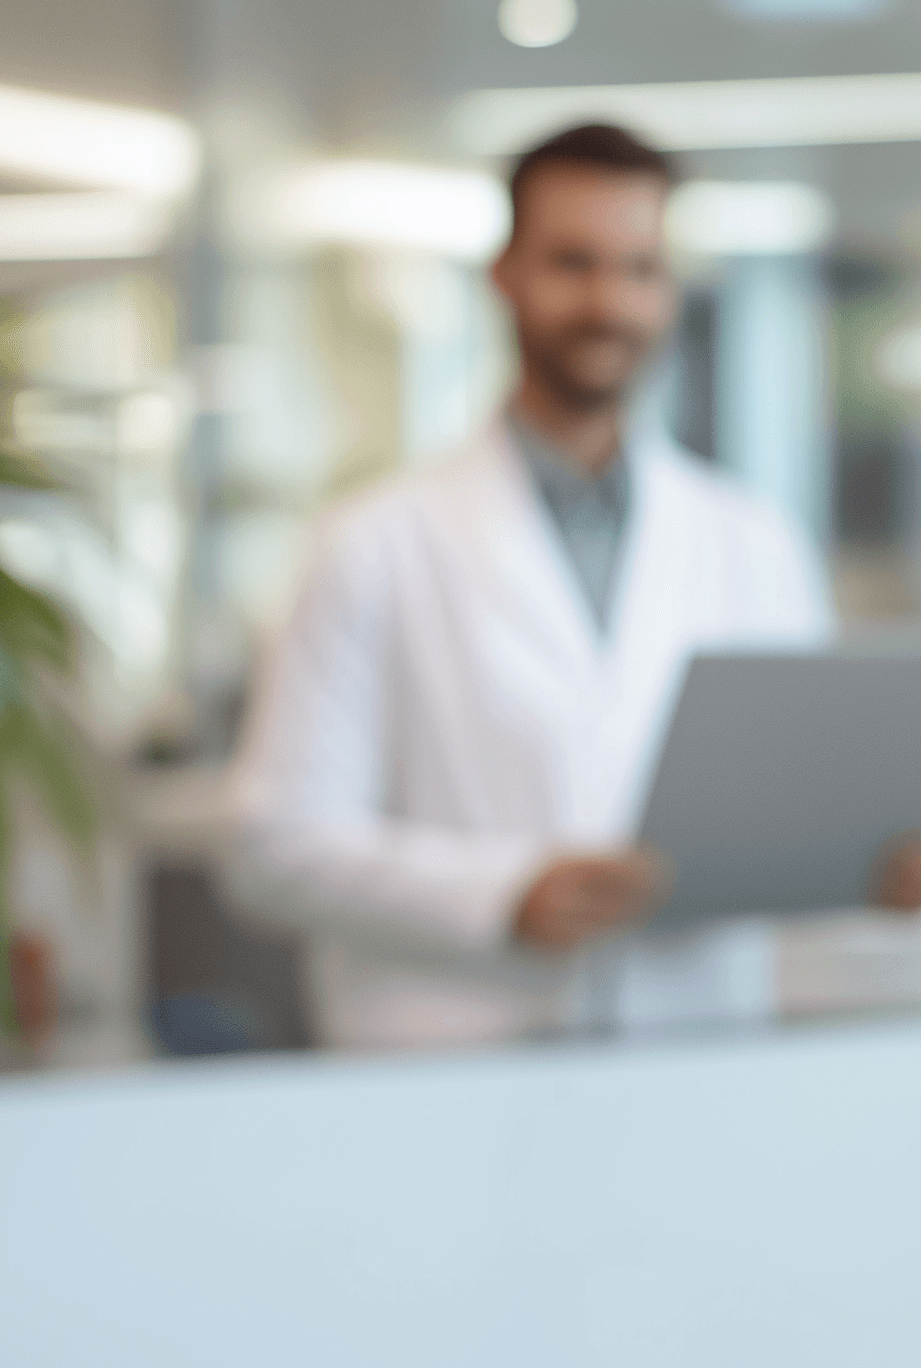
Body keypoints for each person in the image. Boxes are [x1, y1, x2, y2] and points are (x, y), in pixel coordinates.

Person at [224, 123, 841, 1050]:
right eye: (572, 263)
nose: (609, 302)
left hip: (700, 1054)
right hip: (459, 1065)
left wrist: (880, 861)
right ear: (503, 275)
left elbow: (802, 803)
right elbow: (275, 847)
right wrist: (504, 895)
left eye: (639, 269)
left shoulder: (755, 542)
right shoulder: (371, 544)